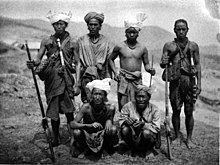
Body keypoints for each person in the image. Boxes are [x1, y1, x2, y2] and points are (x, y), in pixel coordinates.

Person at [26, 10, 81, 147]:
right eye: (56, 24)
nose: (59, 27)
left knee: (69, 111)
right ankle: (55, 138)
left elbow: (78, 63)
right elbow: (38, 59)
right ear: (53, 26)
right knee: (53, 111)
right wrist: (32, 63)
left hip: (67, 79)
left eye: (61, 24)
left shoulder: (73, 42)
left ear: (66, 25)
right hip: (52, 80)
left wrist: (78, 83)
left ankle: (73, 139)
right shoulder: (46, 41)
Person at [160, 19, 201, 149]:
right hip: (175, 81)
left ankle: (189, 139)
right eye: (178, 29)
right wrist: (164, 61)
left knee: (189, 111)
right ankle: (177, 136)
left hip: (189, 81)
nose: (181, 31)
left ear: (187, 30)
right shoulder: (169, 46)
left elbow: (198, 65)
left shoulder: (193, 46)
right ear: (174, 30)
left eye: (183, 29)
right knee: (176, 110)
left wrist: (199, 84)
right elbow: (163, 64)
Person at [109, 13, 155, 112]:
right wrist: (115, 72)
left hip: (136, 79)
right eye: (129, 32)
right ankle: (123, 123)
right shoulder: (120, 46)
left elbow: (146, 64)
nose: (132, 34)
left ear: (138, 33)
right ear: (125, 33)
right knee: (123, 103)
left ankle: (136, 125)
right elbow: (110, 59)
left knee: (138, 101)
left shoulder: (142, 48)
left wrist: (150, 70)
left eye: (134, 32)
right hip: (124, 78)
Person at [70, 78, 118, 157]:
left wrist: (109, 120)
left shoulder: (110, 108)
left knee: (113, 129)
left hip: (101, 135)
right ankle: (86, 149)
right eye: (95, 94)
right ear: (92, 95)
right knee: (76, 132)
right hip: (88, 134)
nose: (97, 97)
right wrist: (88, 125)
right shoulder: (86, 107)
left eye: (100, 94)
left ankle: (105, 148)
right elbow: (72, 124)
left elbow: (110, 121)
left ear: (104, 96)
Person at [77, 12, 113, 103]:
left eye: (95, 25)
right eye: (90, 25)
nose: (93, 27)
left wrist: (108, 79)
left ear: (100, 26)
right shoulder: (81, 41)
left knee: (100, 102)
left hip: (101, 75)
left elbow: (109, 61)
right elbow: (78, 63)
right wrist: (77, 81)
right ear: (87, 26)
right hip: (86, 76)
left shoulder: (105, 41)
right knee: (87, 101)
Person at [118, 85, 160, 158]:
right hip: (133, 135)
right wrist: (126, 121)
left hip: (147, 137)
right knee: (124, 130)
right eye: (138, 96)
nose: (140, 99)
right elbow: (121, 120)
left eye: (143, 97)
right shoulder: (128, 106)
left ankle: (148, 149)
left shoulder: (154, 109)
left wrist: (144, 125)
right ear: (135, 97)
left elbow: (156, 128)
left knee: (146, 133)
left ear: (149, 98)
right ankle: (131, 148)